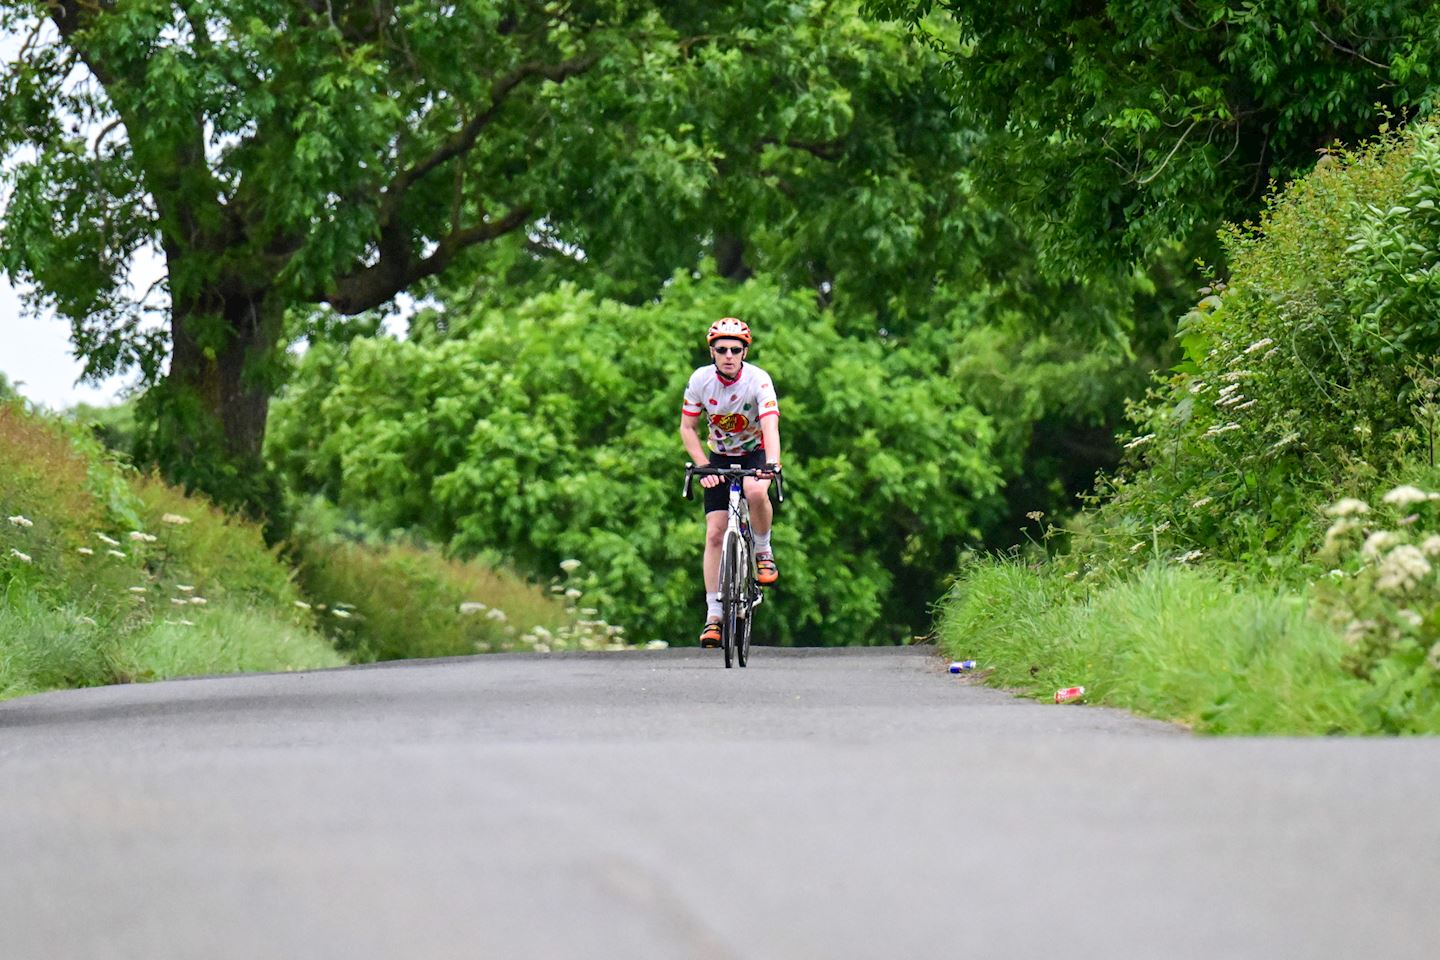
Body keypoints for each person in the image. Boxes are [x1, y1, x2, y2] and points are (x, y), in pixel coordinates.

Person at [679, 317, 782, 648]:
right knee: (714, 532)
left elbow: (770, 426)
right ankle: (713, 616)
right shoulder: (700, 381)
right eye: (721, 349)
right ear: (712, 352)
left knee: (754, 490)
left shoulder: (758, 380)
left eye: (735, 350)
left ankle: (763, 550)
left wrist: (772, 464)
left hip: (755, 451)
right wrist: (703, 465)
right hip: (718, 457)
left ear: (744, 352)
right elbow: (687, 428)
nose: (728, 355)